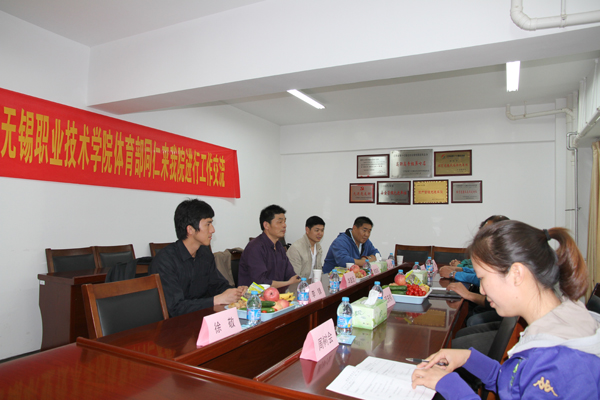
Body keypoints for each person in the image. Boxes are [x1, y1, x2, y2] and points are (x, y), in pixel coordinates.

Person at [411, 220, 600, 399]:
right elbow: (513, 382)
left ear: (516, 274)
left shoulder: (558, 364)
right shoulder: (557, 329)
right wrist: (468, 358)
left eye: (482, 278)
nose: (482, 290)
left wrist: (450, 385)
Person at [148, 199, 247, 317]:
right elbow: (175, 308)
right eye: (208, 224)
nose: (212, 230)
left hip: (203, 318)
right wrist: (216, 300)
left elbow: (217, 285)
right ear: (190, 229)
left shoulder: (205, 254)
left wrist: (236, 292)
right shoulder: (164, 262)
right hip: (176, 324)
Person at [238, 205, 300, 288]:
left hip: (277, 294)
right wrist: (288, 283)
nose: (284, 225)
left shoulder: (279, 246)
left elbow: (290, 274)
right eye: (280, 222)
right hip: (255, 295)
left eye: (284, 221)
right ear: (266, 225)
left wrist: (295, 279)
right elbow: (261, 283)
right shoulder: (255, 247)